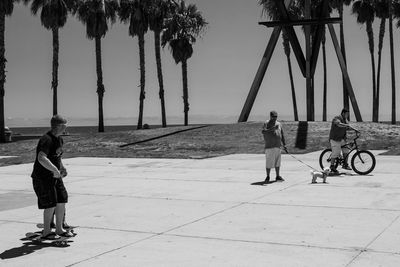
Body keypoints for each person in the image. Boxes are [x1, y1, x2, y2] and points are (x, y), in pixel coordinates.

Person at [31, 115, 72, 239]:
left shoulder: (59, 139)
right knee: (51, 203)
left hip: (55, 175)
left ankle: (59, 229)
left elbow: (56, 156)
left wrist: (61, 168)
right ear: (59, 126)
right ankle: (47, 232)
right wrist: (54, 170)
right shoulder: (46, 139)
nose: (66, 128)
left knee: (61, 200)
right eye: (65, 125)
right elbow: (41, 158)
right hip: (43, 177)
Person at [262, 110, 287, 183]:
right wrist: (272, 129)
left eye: (276, 117)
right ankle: (268, 176)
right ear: (270, 116)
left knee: (277, 162)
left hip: (278, 146)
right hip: (269, 146)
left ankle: (277, 176)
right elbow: (263, 131)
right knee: (269, 162)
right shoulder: (266, 123)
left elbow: (282, 134)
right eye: (273, 117)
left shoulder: (279, 124)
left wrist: (284, 145)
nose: (275, 118)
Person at [329, 108, 354, 174]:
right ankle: (332, 166)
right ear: (343, 113)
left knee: (346, 150)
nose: (347, 115)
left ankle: (345, 164)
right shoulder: (336, 118)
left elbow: (347, 127)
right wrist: (346, 125)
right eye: (347, 114)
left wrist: (355, 130)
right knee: (336, 152)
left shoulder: (345, 120)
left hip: (342, 139)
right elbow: (339, 124)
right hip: (335, 139)